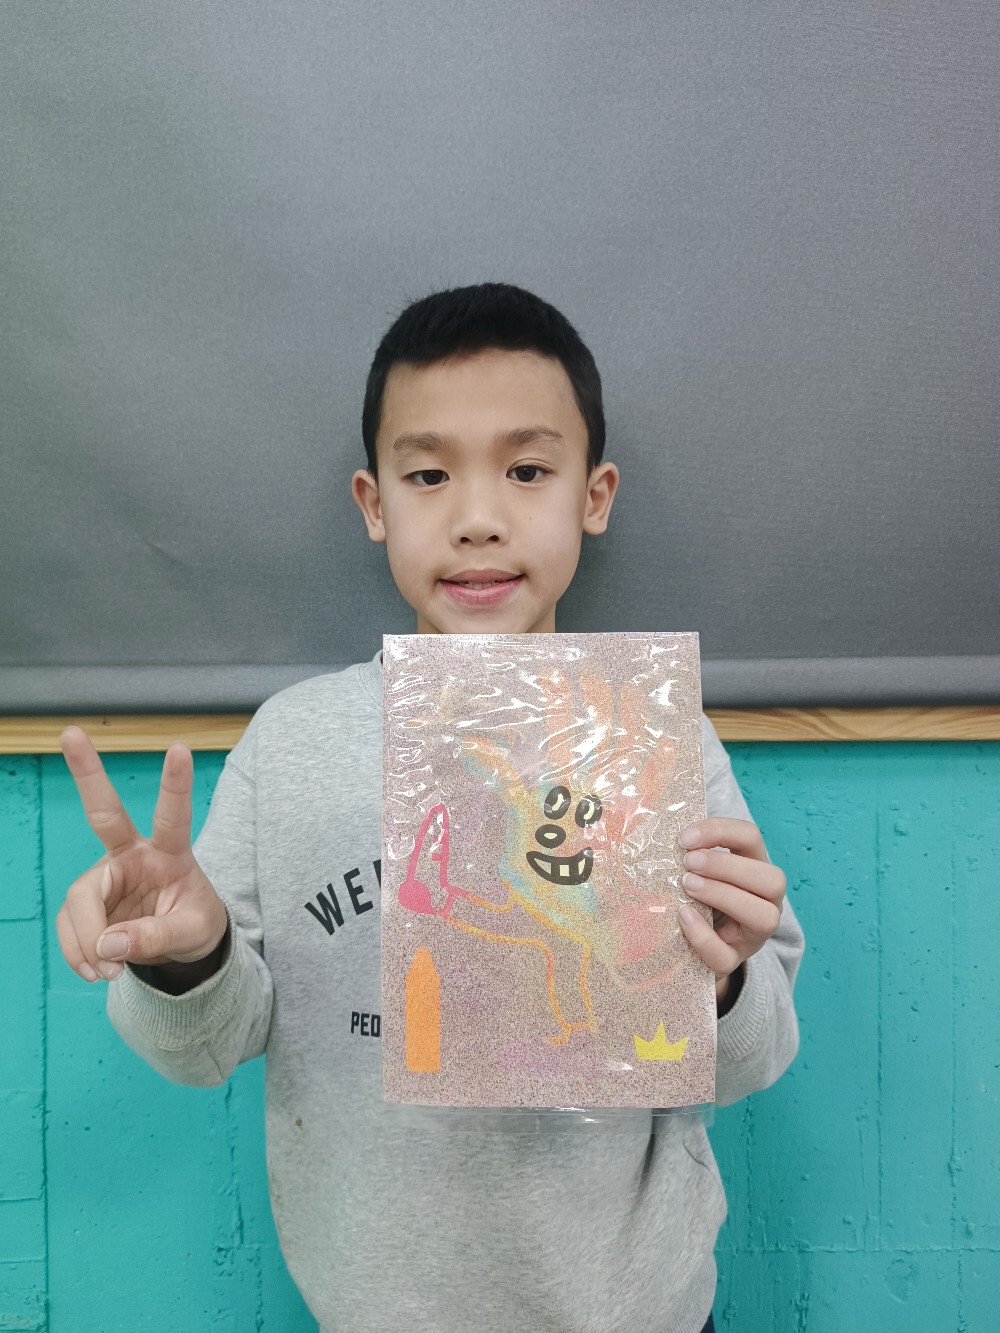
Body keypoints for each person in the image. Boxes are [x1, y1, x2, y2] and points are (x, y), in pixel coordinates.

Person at [55, 282, 804, 1333]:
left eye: (528, 470)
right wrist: (188, 955)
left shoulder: (654, 740)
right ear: (374, 504)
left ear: (594, 496)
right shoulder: (294, 743)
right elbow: (203, 1047)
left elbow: (754, 1059)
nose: (478, 517)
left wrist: (717, 981)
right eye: (428, 474)